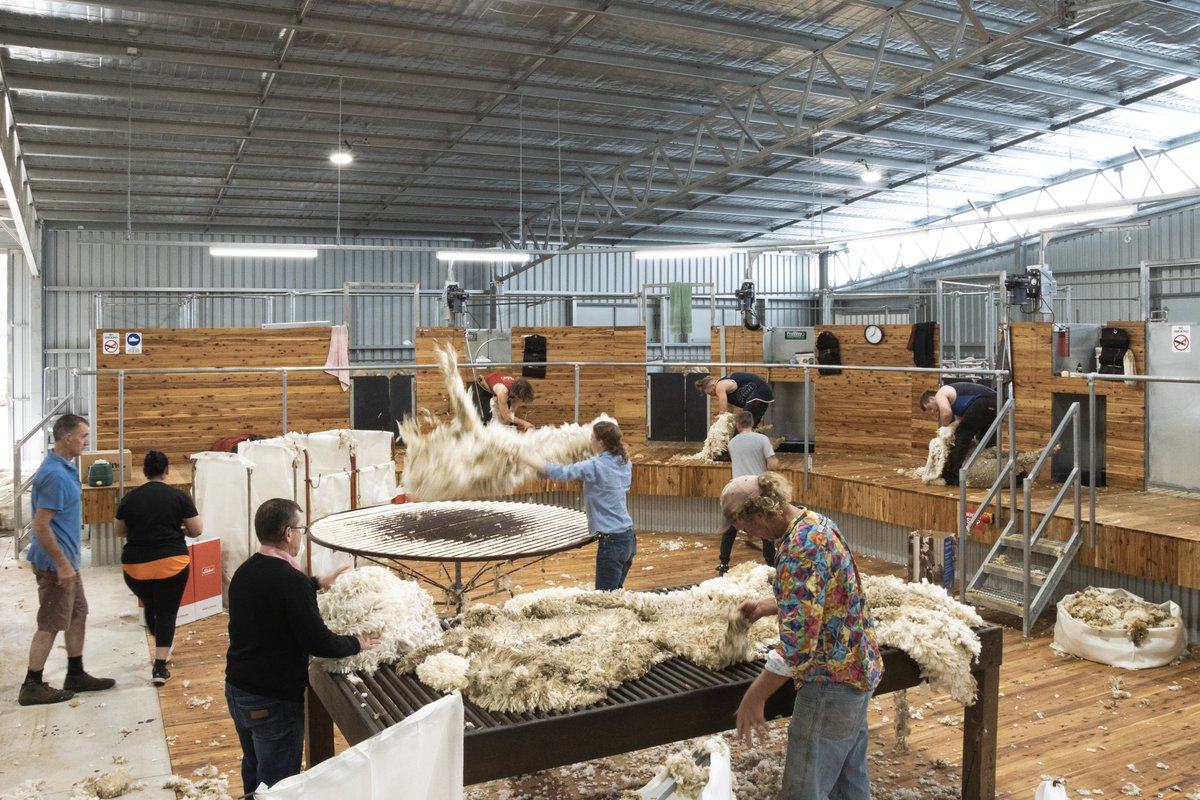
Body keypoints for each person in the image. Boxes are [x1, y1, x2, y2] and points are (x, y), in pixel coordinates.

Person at [723, 472, 882, 800]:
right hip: (856, 667)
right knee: (848, 784)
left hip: (831, 682)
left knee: (804, 789)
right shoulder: (813, 523)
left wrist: (755, 697)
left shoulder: (800, 548)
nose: (748, 535)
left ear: (760, 514)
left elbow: (797, 648)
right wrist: (772, 605)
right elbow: (824, 593)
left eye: (746, 528)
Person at [225, 498, 380, 795]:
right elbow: (319, 642)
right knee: (279, 782)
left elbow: (274, 594)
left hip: (237, 690)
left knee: (254, 766)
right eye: (301, 528)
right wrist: (357, 643)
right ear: (287, 534)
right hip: (272, 700)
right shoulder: (290, 581)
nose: (302, 535)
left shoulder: (245, 572)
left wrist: (316, 583)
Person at [19, 413, 116, 706]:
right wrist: (61, 564)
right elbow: (40, 526)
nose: (87, 441)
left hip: (67, 562)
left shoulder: (66, 467)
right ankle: (31, 684)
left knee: (78, 614)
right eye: (84, 436)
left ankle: (75, 673)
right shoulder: (56, 475)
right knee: (50, 622)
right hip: (54, 564)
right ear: (67, 438)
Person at [116, 450, 203, 686]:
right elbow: (196, 530)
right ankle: (160, 666)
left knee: (152, 605)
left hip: (135, 568)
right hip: (171, 564)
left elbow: (119, 531)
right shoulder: (178, 496)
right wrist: (178, 530)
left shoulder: (129, 498)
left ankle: (161, 643)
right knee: (167, 611)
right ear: (166, 471)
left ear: (144, 471)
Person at [519, 420, 635, 590]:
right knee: (615, 595)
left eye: (592, 438)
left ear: (600, 443)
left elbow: (563, 473)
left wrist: (526, 459)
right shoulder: (624, 461)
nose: (590, 441)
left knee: (604, 600)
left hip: (612, 543)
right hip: (628, 540)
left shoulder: (595, 465)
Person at [716, 411, 781, 575]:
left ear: (737, 425)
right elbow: (773, 465)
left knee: (731, 527)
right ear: (752, 423)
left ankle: (724, 563)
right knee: (766, 525)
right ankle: (771, 566)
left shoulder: (732, 443)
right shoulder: (762, 439)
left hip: (736, 488)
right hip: (757, 487)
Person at [920, 382, 999, 485]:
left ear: (931, 399)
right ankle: (996, 473)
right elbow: (960, 420)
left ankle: (952, 477)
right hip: (996, 401)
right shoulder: (956, 403)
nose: (933, 411)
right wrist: (952, 428)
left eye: (930, 408)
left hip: (983, 401)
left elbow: (946, 413)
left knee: (961, 437)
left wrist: (944, 430)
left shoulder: (940, 394)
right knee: (986, 442)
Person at [695, 372, 774, 427]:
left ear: (713, 385)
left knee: (744, 424)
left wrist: (720, 422)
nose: (714, 395)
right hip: (760, 395)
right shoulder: (726, 391)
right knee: (749, 425)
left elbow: (723, 404)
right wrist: (728, 423)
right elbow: (728, 410)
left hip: (758, 393)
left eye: (711, 393)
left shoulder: (720, 385)